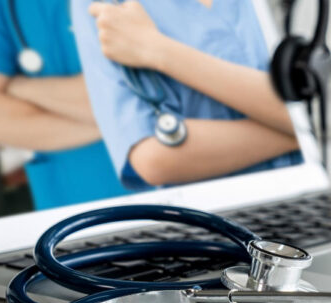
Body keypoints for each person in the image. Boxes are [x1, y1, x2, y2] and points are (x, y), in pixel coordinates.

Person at [72, 0, 303, 190]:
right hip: (222, 222)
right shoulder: (101, 5)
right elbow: (153, 157)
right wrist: (303, 131)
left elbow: (330, 99)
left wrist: (157, 49)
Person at [0, 0, 130, 209]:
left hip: (159, 190)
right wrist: (127, 121)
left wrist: (18, 86)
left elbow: (129, 94)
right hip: (63, 206)